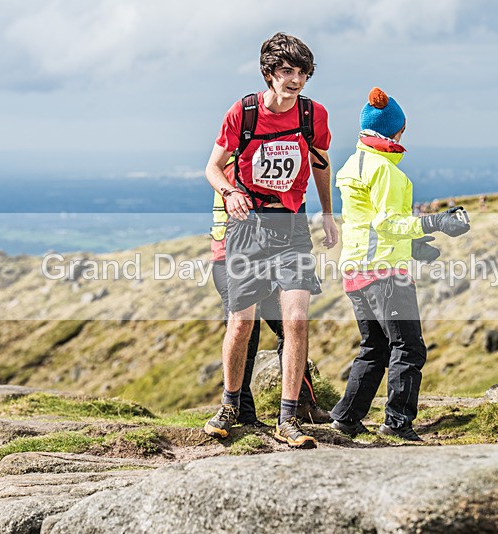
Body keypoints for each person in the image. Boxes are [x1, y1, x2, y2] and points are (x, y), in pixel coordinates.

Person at [203, 32, 337, 449]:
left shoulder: (314, 115)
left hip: (292, 227)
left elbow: (321, 165)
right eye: (286, 72)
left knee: (296, 320)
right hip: (245, 228)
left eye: (301, 73)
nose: (294, 80)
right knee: (241, 322)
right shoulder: (242, 112)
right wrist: (230, 191)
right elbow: (212, 167)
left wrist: (328, 213)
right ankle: (229, 407)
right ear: (269, 73)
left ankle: (288, 417)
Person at [329, 88, 470, 441]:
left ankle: (346, 417)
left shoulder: (353, 164)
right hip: (385, 274)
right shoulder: (387, 171)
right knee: (408, 347)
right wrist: (436, 223)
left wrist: (413, 246)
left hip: (357, 271)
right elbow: (388, 222)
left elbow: (367, 222)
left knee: (374, 346)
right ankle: (397, 423)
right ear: (396, 131)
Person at [209, 184, 331, 426]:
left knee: (291, 327)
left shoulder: (261, 155)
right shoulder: (234, 164)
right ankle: (241, 413)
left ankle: (302, 405)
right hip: (230, 258)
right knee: (245, 328)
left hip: (266, 255)